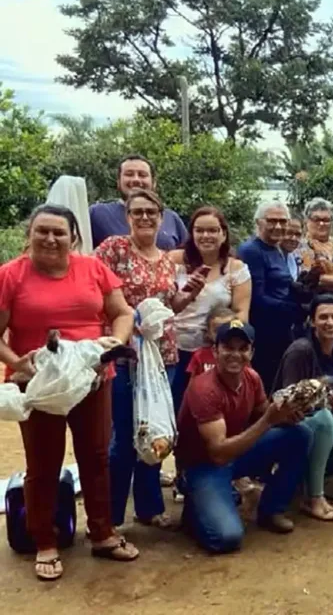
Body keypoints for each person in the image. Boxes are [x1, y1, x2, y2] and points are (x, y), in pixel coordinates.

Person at [0, 205, 139, 581]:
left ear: (73, 237)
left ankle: (102, 532)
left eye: (59, 232)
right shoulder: (10, 275)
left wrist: (112, 346)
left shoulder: (93, 269)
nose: (49, 239)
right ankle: (45, 541)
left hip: (92, 377)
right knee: (43, 464)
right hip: (39, 384)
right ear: (29, 235)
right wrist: (19, 363)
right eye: (41, 231)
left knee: (96, 456)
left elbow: (122, 312)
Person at [95, 188, 200, 530]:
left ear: (161, 216)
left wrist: (190, 294)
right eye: (137, 211)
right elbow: (94, 291)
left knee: (154, 428)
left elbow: (170, 305)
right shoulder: (113, 249)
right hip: (125, 354)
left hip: (163, 356)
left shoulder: (167, 258)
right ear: (127, 216)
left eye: (150, 212)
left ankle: (148, 506)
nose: (144, 217)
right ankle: (109, 515)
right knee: (124, 433)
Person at [176, 320, 312, 553]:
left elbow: (263, 412)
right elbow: (218, 453)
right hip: (204, 464)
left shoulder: (252, 378)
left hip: (236, 453)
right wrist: (269, 420)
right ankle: (193, 506)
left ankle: (271, 510)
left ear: (252, 352)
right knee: (226, 537)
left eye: (243, 348)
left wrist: (288, 414)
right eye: (228, 347)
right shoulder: (203, 389)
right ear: (215, 350)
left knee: (300, 434)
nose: (235, 355)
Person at [274, 294, 333, 521]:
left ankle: (310, 473)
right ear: (312, 321)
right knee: (324, 418)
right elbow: (288, 402)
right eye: (323, 317)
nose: (330, 322)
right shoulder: (301, 350)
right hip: (293, 421)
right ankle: (313, 497)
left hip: (327, 420)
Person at [168, 206, 250, 413]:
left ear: (223, 234)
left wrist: (223, 340)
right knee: (172, 409)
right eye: (200, 230)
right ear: (192, 233)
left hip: (211, 352)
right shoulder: (173, 260)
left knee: (207, 409)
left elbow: (241, 313)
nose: (206, 235)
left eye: (213, 230)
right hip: (171, 350)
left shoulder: (236, 269)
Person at [238, 200, 301, 392]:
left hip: (281, 329)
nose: (278, 226)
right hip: (263, 332)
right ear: (259, 222)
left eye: (283, 221)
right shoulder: (252, 251)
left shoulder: (276, 249)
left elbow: (283, 284)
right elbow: (257, 298)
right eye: (272, 221)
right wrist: (292, 309)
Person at [90, 154, 188, 250]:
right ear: (118, 182)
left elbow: (190, 258)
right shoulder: (97, 214)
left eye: (142, 175)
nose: (136, 179)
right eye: (129, 174)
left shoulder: (172, 219)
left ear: (154, 183)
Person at [187, 308, 236, 378]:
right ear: (209, 333)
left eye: (228, 330)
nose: (223, 334)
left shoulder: (239, 355)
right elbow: (193, 384)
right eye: (217, 330)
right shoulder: (200, 356)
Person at [281, 214, 304, 281]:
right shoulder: (268, 258)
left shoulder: (295, 258)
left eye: (298, 235)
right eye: (289, 233)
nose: (293, 238)